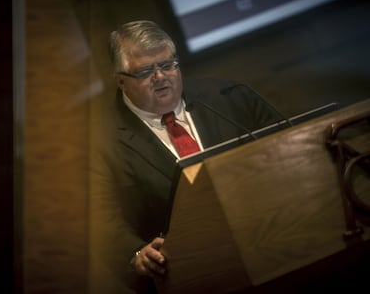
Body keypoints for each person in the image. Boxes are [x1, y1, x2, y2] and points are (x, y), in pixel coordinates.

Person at [89, 20, 285, 293]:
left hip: (273, 244)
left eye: (167, 65)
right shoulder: (99, 143)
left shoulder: (229, 97)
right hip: (189, 276)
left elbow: (288, 149)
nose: (161, 77)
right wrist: (135, 254)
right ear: (120, 81)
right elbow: (98, 219)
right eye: (146, 71)